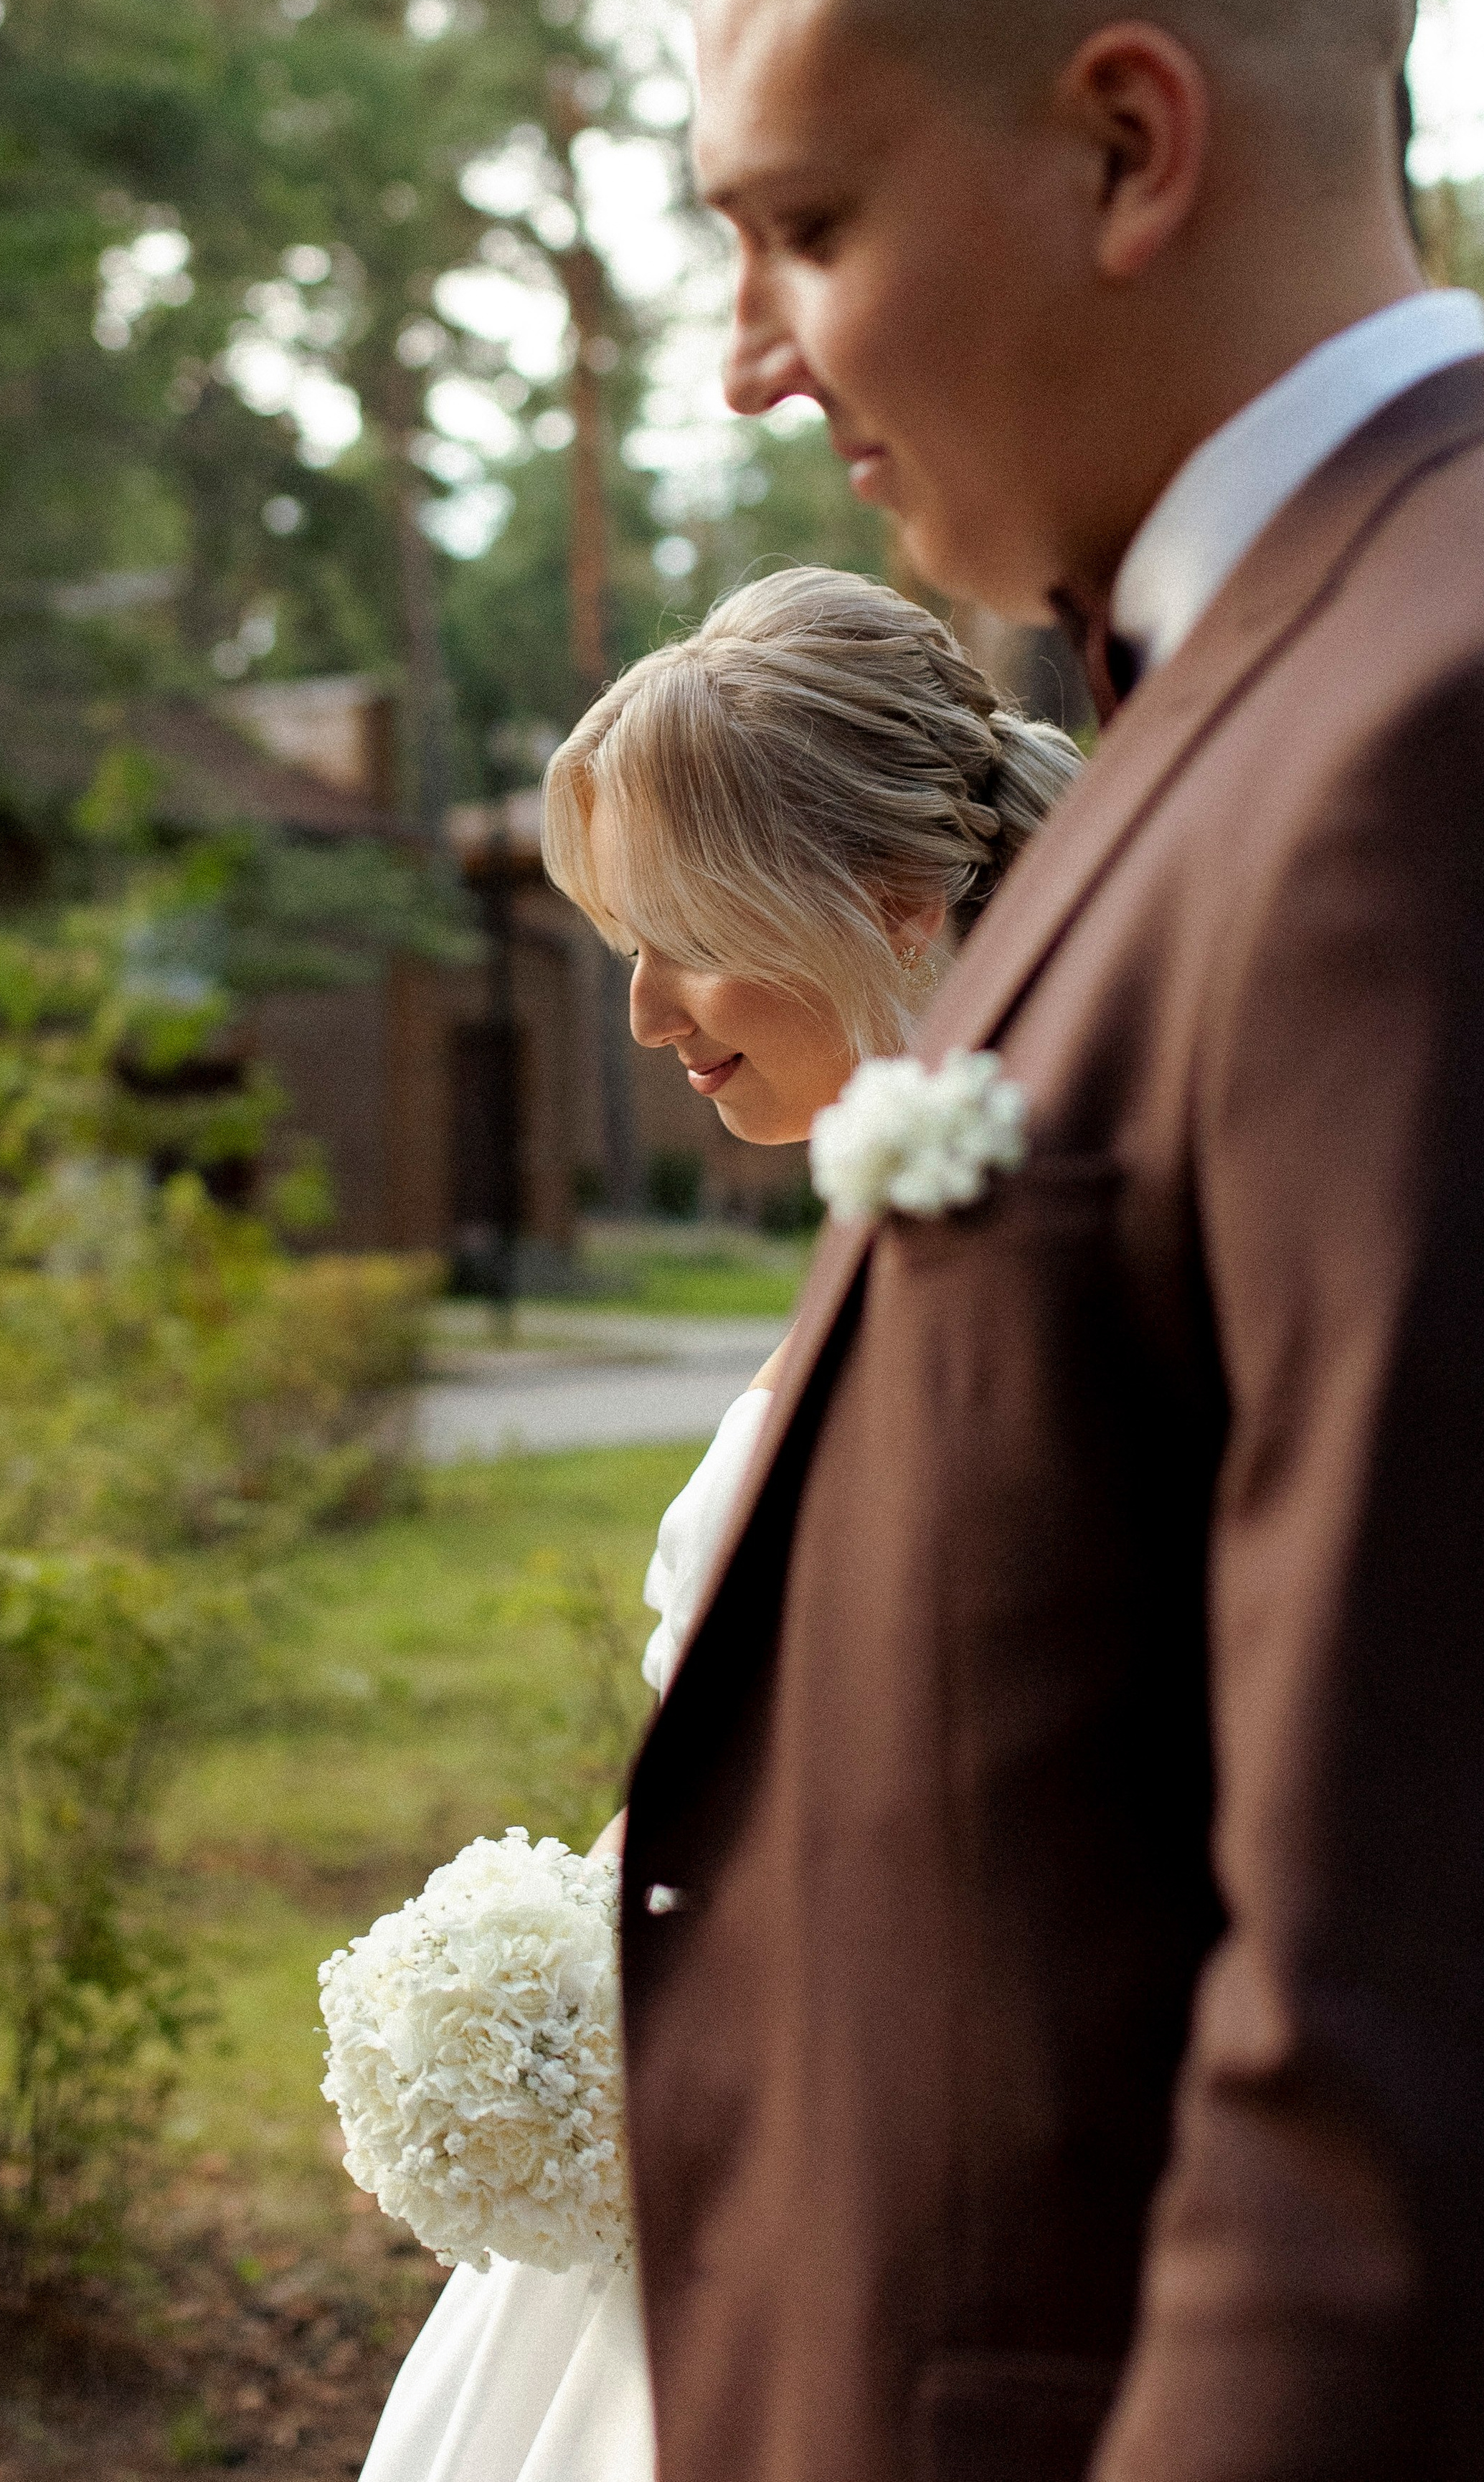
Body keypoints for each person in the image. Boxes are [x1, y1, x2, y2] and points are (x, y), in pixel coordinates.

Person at [618, 0, 1484, 2480]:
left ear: (1130, 146)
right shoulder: (1299, 681)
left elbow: (1463, 2056)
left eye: (808, 227)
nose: (754, 358)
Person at [354, 565, 1080, 2482]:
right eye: (623, 943)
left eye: (682, 937)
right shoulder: (909, 1229)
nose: (645, 1010)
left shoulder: (1027, 1276)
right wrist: (544, 1975)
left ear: (897, 898)